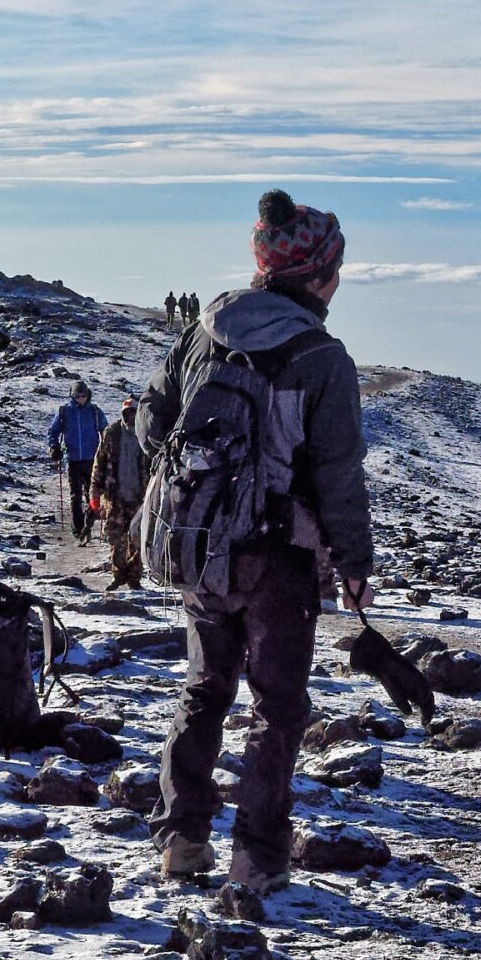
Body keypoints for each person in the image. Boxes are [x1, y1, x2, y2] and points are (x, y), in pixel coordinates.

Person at [141, 188, 374, 901]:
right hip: (280, 557)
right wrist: (355, 565)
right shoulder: (322, 357)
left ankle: (182, 840)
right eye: (336, 269)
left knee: (204, 688)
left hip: (201, 546)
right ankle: (257, 859)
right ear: (318, 275)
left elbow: (151, 424)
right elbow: (338, 475)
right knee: (277, 706)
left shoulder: (206, 330)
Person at [91, 397, 148, 589]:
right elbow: (99, 462)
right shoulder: (112, 433)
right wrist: (95, 492)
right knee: (116, 537)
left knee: (138, 537)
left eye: (133, 413)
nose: (130, 417)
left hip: (140, 497)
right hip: (114, 495)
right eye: (127, 413)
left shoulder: (145, 434)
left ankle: (134, 577)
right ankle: (118, 574)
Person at [46, 381, 107, 545]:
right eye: (78, 396)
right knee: (75, 496)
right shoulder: (64, 412)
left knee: (91, 495)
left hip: (91, 459)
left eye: (83, 396)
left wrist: (106, 449)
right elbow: (53, 431)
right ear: (72, 396)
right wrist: (54, 447)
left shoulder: (94, 412)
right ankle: (79, 530)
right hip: (71, 459)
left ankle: (87, 526)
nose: (81, 399)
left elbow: (105, 430)